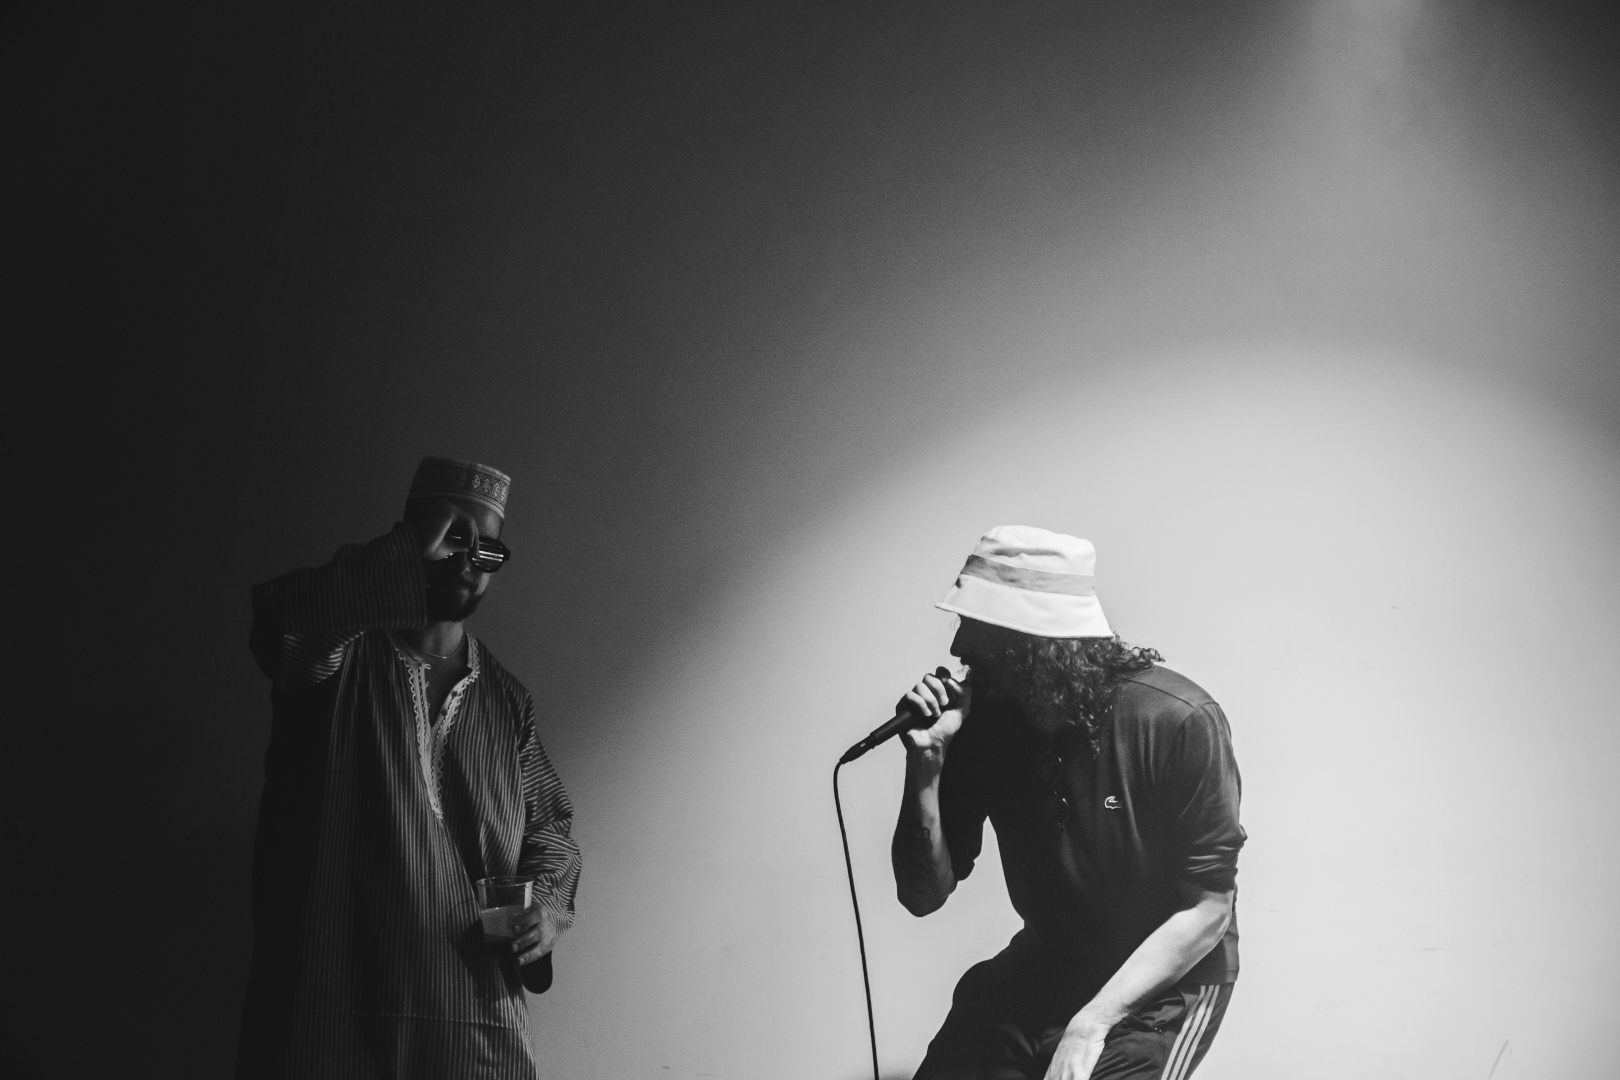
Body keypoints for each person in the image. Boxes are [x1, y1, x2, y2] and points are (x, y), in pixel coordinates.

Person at [236, 457, 582, 1080]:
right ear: (407, 538)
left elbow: (550, 829)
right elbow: (280, 623)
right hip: (330, 1013)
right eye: (451, 536)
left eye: (487, 549)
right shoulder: (333, 662)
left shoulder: (505, 699)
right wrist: (404, 555)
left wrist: (548, 911)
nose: (468, 561)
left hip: (472, 1023)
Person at [891, 526, 1244, 1080]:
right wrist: (927, 762)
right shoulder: (984, 724)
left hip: (1165, 984)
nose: (958, 648)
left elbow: (1208, 909)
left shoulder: (1176, 720)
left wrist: (1091, 1023)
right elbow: (922, 895)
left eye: (975, 626)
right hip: (1051, 961)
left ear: (1032, 642)